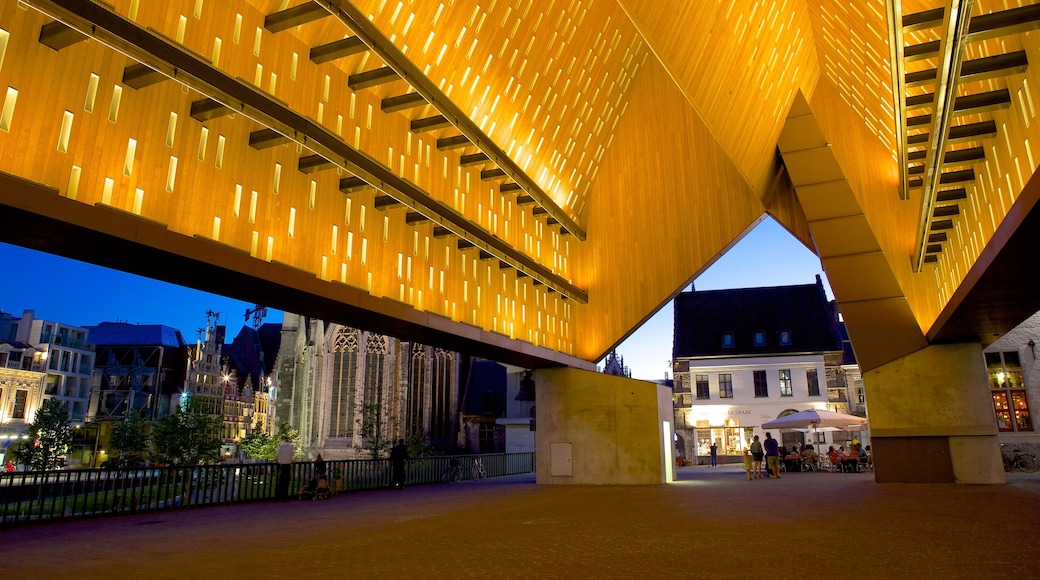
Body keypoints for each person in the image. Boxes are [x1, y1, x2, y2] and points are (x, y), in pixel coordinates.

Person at [275, 436, 295, 501]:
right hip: (287, 465)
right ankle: (285, 496)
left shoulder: (281, 447)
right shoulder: (291, 447)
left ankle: (279, 496)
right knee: (286, 482)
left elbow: (277, 456)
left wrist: (278, 462)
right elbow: (292, 456)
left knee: (281, 482)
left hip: (282, 465)